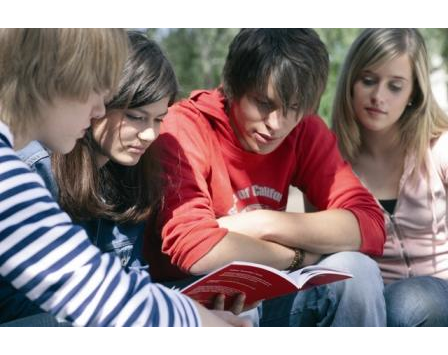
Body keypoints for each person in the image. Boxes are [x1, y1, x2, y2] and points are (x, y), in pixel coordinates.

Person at [0, 28, 250, 327]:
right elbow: (87, 291)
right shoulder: (20, 169)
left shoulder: (132, 175)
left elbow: (123, 285)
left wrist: (198, 310)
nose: (97, 109)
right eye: (135, 116)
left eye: (159, 119)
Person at [143, 28, 387, 327]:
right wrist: (299, 258)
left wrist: (262, 224)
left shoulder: (303, 130)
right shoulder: (184, 127)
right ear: (233, 86)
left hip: (262, 295)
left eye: (294, 108)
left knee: (356, 270)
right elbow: (196, 251)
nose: (277, 124)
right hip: (189, 300)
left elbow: (370, 225)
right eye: (264, 103)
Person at [332, 28, 448, 327]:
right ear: (350, 83)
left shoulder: (439, 147)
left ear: (414, 94)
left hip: (439, 294)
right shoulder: (331, 163)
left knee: (413, 303)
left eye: (395, 86)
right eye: (368, 81)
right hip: (375, 302)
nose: (378, 96)